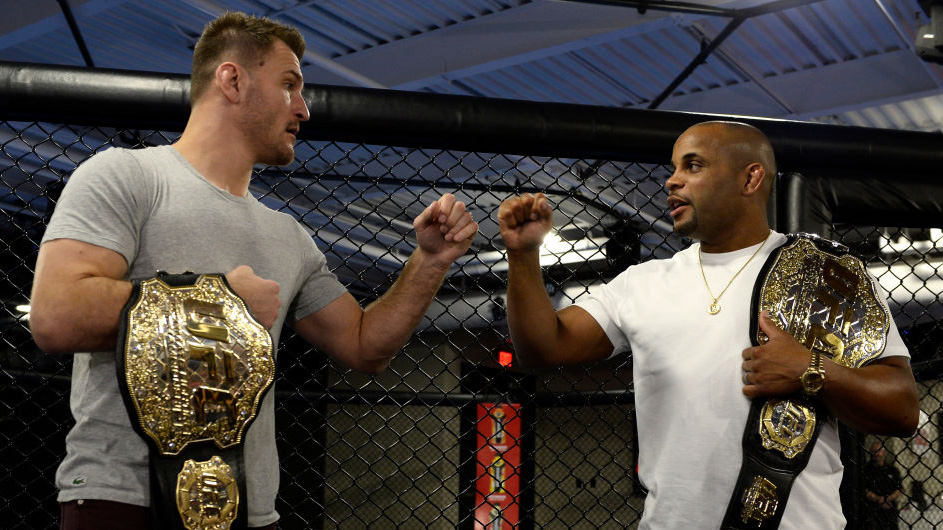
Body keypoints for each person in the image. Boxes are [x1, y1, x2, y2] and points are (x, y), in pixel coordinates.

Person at [28, 12, 478, 530]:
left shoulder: (289, 236)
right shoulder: (126, 176)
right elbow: (56, 314)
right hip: (126, 498)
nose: (304, 109)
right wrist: (221, 302)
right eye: (289, 85)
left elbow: (364, 345)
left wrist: (429, 261)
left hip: (248, 511)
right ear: (232, 80)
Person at [497, 120, 918, 529]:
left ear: (750, 178)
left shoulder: (826, 274)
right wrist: (522, 255)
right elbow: (542, 347)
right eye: (674, 168)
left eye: (692, 166)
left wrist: (812, 371)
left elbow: (901, 408)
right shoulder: (640, 285)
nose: (671, 181)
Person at [863, 442, 903, 530]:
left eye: (879, 451)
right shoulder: (866, 470)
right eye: (874, 451)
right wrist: (880, 500)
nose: (876, 454)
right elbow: (864, 490)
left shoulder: (892, 469)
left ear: (884, 453)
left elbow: (900, 489)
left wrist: (887, 499)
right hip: (873, 511)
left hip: (890, 510)